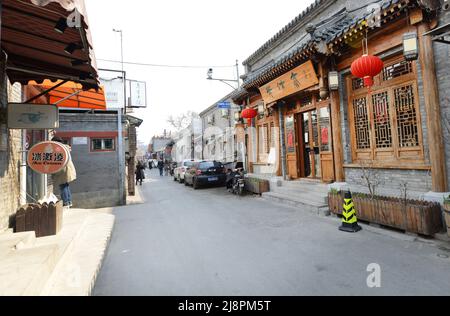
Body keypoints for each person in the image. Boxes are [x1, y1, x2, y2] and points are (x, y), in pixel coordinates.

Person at [52, 137, 77, 208]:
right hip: (68, 168)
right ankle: (69, 201)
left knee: (62, 185)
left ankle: (66, 202)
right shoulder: (65, 147)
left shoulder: (59, 148)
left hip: (63, 168)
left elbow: (59, 159)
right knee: (65, 185)